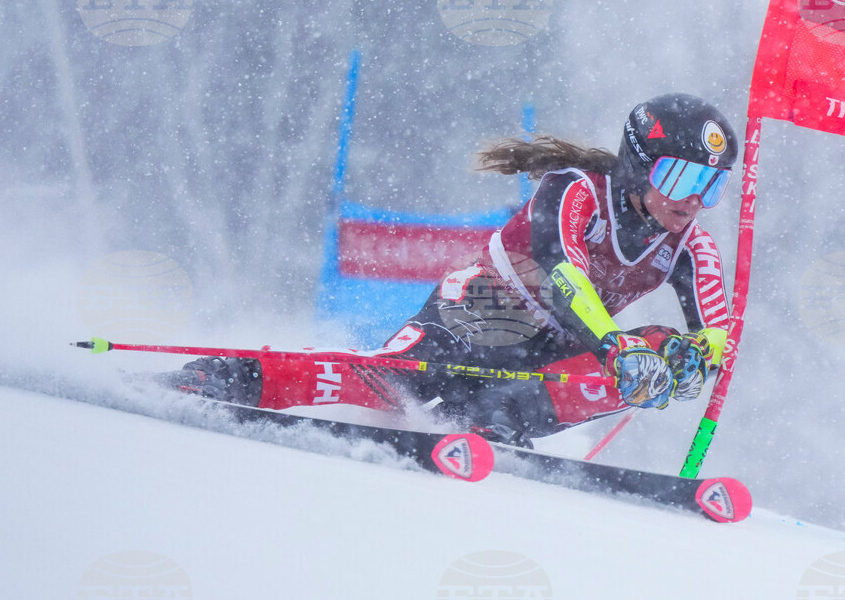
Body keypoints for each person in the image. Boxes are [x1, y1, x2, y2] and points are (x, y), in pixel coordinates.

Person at [163, 93, 738, 447]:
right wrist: (615, 345)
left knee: (666, 352)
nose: (691, 201)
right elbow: (564, 276)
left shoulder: (693, 247)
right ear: (639, 168)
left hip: (553, 352)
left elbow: (718, 333)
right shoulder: (574, 190)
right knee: (390, 385)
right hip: (481, 314)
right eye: (680, 178)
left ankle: (495, 421)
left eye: (709, 185)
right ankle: (230, 377)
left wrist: (696, 359)